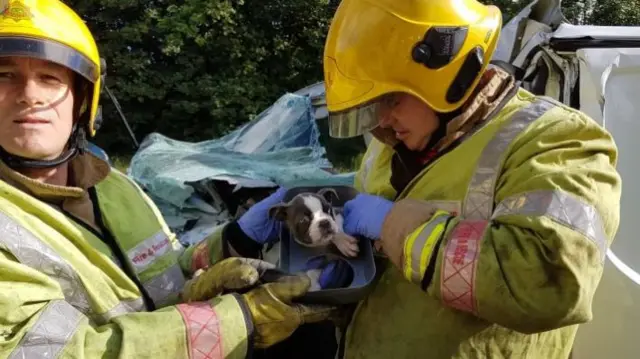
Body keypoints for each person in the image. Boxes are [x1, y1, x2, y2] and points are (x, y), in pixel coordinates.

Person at [0, 1, 335, 358]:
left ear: (82, 100)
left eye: (50, 78)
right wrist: (244, 320)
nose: (30, 95)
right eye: (4, 76)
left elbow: (167, 274)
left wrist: (235, 239)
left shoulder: (115, 188)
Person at [320, 0, 623, 358]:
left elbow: (550, 280)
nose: (381, 121)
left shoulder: (559, 139)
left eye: (391, 99)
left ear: (447, 71)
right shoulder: (388, 145)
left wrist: (395, 227)